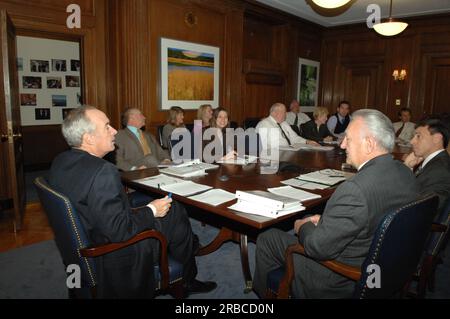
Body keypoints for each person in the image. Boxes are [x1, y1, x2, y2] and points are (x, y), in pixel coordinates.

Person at [48, 106, 217, 298]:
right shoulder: (102, 171)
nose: (113, 131)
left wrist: (145, 206)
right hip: (115, 253)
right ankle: (186, 280)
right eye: (106, 127)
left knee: (159, 204)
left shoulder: (61, 161)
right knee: (175, 210)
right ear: (89, 138)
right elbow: (120, 230)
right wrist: (152, 210)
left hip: (88, 235)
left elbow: (95, 203)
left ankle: (189, 247)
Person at [253, 109, 419, 298]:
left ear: (369, 144)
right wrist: (326, 219)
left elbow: (317, 247)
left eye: (348, 138)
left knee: (268, 237)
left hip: (338, 278)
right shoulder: (406, 173)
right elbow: (370, 214)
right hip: (385, 264)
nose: (342, 144)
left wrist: (303, 226)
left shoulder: (355, 190)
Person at [403, 118, 450, 216]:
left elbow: (421, 211)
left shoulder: (440, 170)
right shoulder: (433, 162)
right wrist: (408, 167)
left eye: (418, 136)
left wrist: (405, 169)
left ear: (437, 138)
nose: (412, 141)